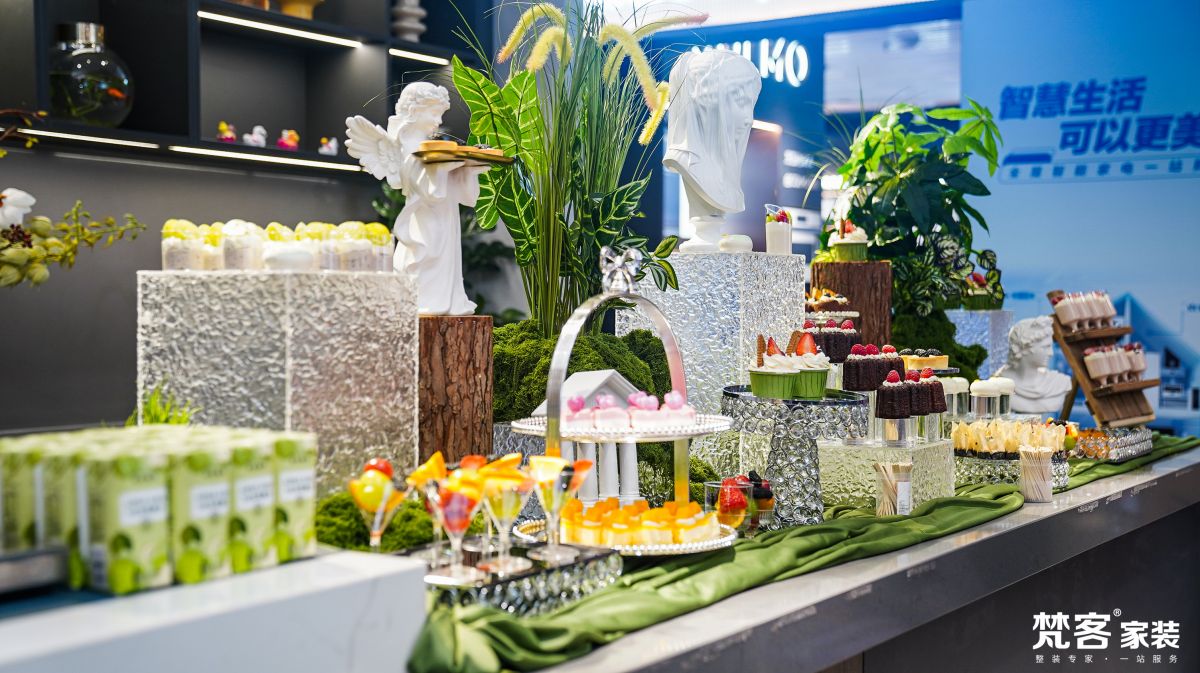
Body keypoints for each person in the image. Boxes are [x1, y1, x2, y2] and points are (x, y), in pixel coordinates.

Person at [345, 82, 486, 315]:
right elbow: (421, 185)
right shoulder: (407, 145)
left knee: (445, 258)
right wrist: (448, 165)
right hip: (424, 215)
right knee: (426, 254)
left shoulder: (433, 145)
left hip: (446, 213)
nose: (438, 121)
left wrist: (467, 170)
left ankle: (448, 302)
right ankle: (427, 301)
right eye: (434, 113)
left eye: (441, 115)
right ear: (415, 111)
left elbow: (454, 188)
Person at [663, 50, 761, 252]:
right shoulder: (685, 160)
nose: (749, 119)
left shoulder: (724, 172)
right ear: (708, 100)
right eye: (741, 102)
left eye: (751, 105)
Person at [993, 316, 1074, 414]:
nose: (1051, 353)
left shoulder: (1059, 383)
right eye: (1045, 347)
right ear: (1025, 347)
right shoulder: (997, 385)